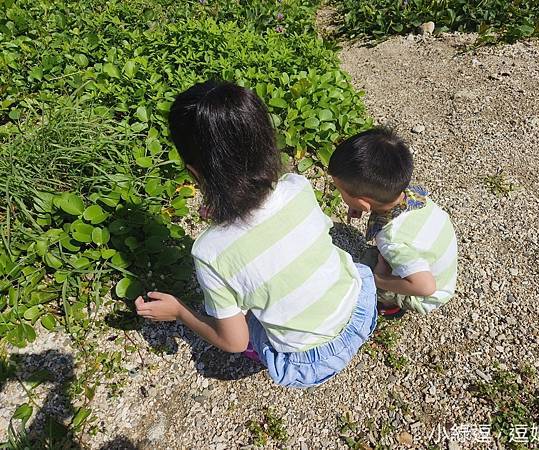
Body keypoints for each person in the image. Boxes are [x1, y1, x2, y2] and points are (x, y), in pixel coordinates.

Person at [135, 81, 377, 388]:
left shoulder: (210, 253)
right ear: (268, 142)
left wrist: (180, 312)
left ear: (194, 171)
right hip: (360, 310)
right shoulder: (296, 187)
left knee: (247, 328)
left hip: (309, 361)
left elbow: (234, 342)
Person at [328, 127, 457, 315]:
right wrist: (357, 204)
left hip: (428, 294)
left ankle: (389, 306)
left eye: (340, 191)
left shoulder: (391, 239)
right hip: (436, 263)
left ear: (364, 203)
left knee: (362, 272)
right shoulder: (416, 197)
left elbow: (425, 287)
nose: (339, 194)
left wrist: (378, 278)